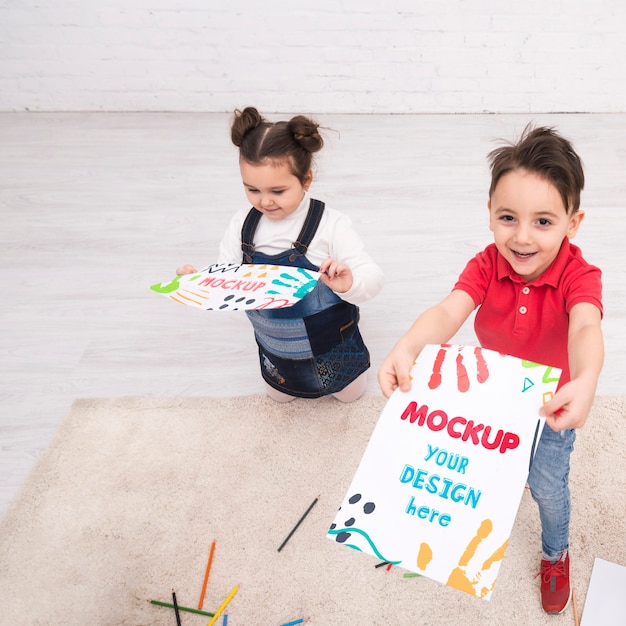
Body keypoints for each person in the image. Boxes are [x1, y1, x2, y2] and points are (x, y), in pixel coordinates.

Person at [378, 125, 603, 614]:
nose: (521, 238)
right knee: (486, 471)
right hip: (494, 396)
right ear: (489, 216)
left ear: (573, 223)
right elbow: (448, 311)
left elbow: (586, 328)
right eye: (508, 218)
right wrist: (408, 346)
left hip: (553, 403)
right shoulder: (485, 264)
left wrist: (585, 383)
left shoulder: (579, 275)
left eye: (543, 221)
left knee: (546, 483)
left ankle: (555, 552)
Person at [177, 106, 383, 403]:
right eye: (252, 189)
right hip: (276, 350)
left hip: (332, 349)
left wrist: (349, 284)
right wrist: (198, 282)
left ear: (306, 180)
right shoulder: (242, 225)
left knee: (349, 396)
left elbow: (374, 278)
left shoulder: (330, 225)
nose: (264, 201)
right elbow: (227, 276)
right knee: (280, 397)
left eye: (277, 190)